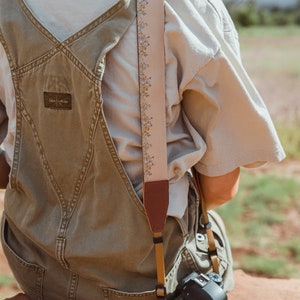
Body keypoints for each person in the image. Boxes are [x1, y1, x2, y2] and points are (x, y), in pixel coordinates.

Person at [0, 0, 285, 299]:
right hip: (149, 278)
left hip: (33, 267)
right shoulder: (180, 9)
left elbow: (7, 171)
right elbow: (222, 187)